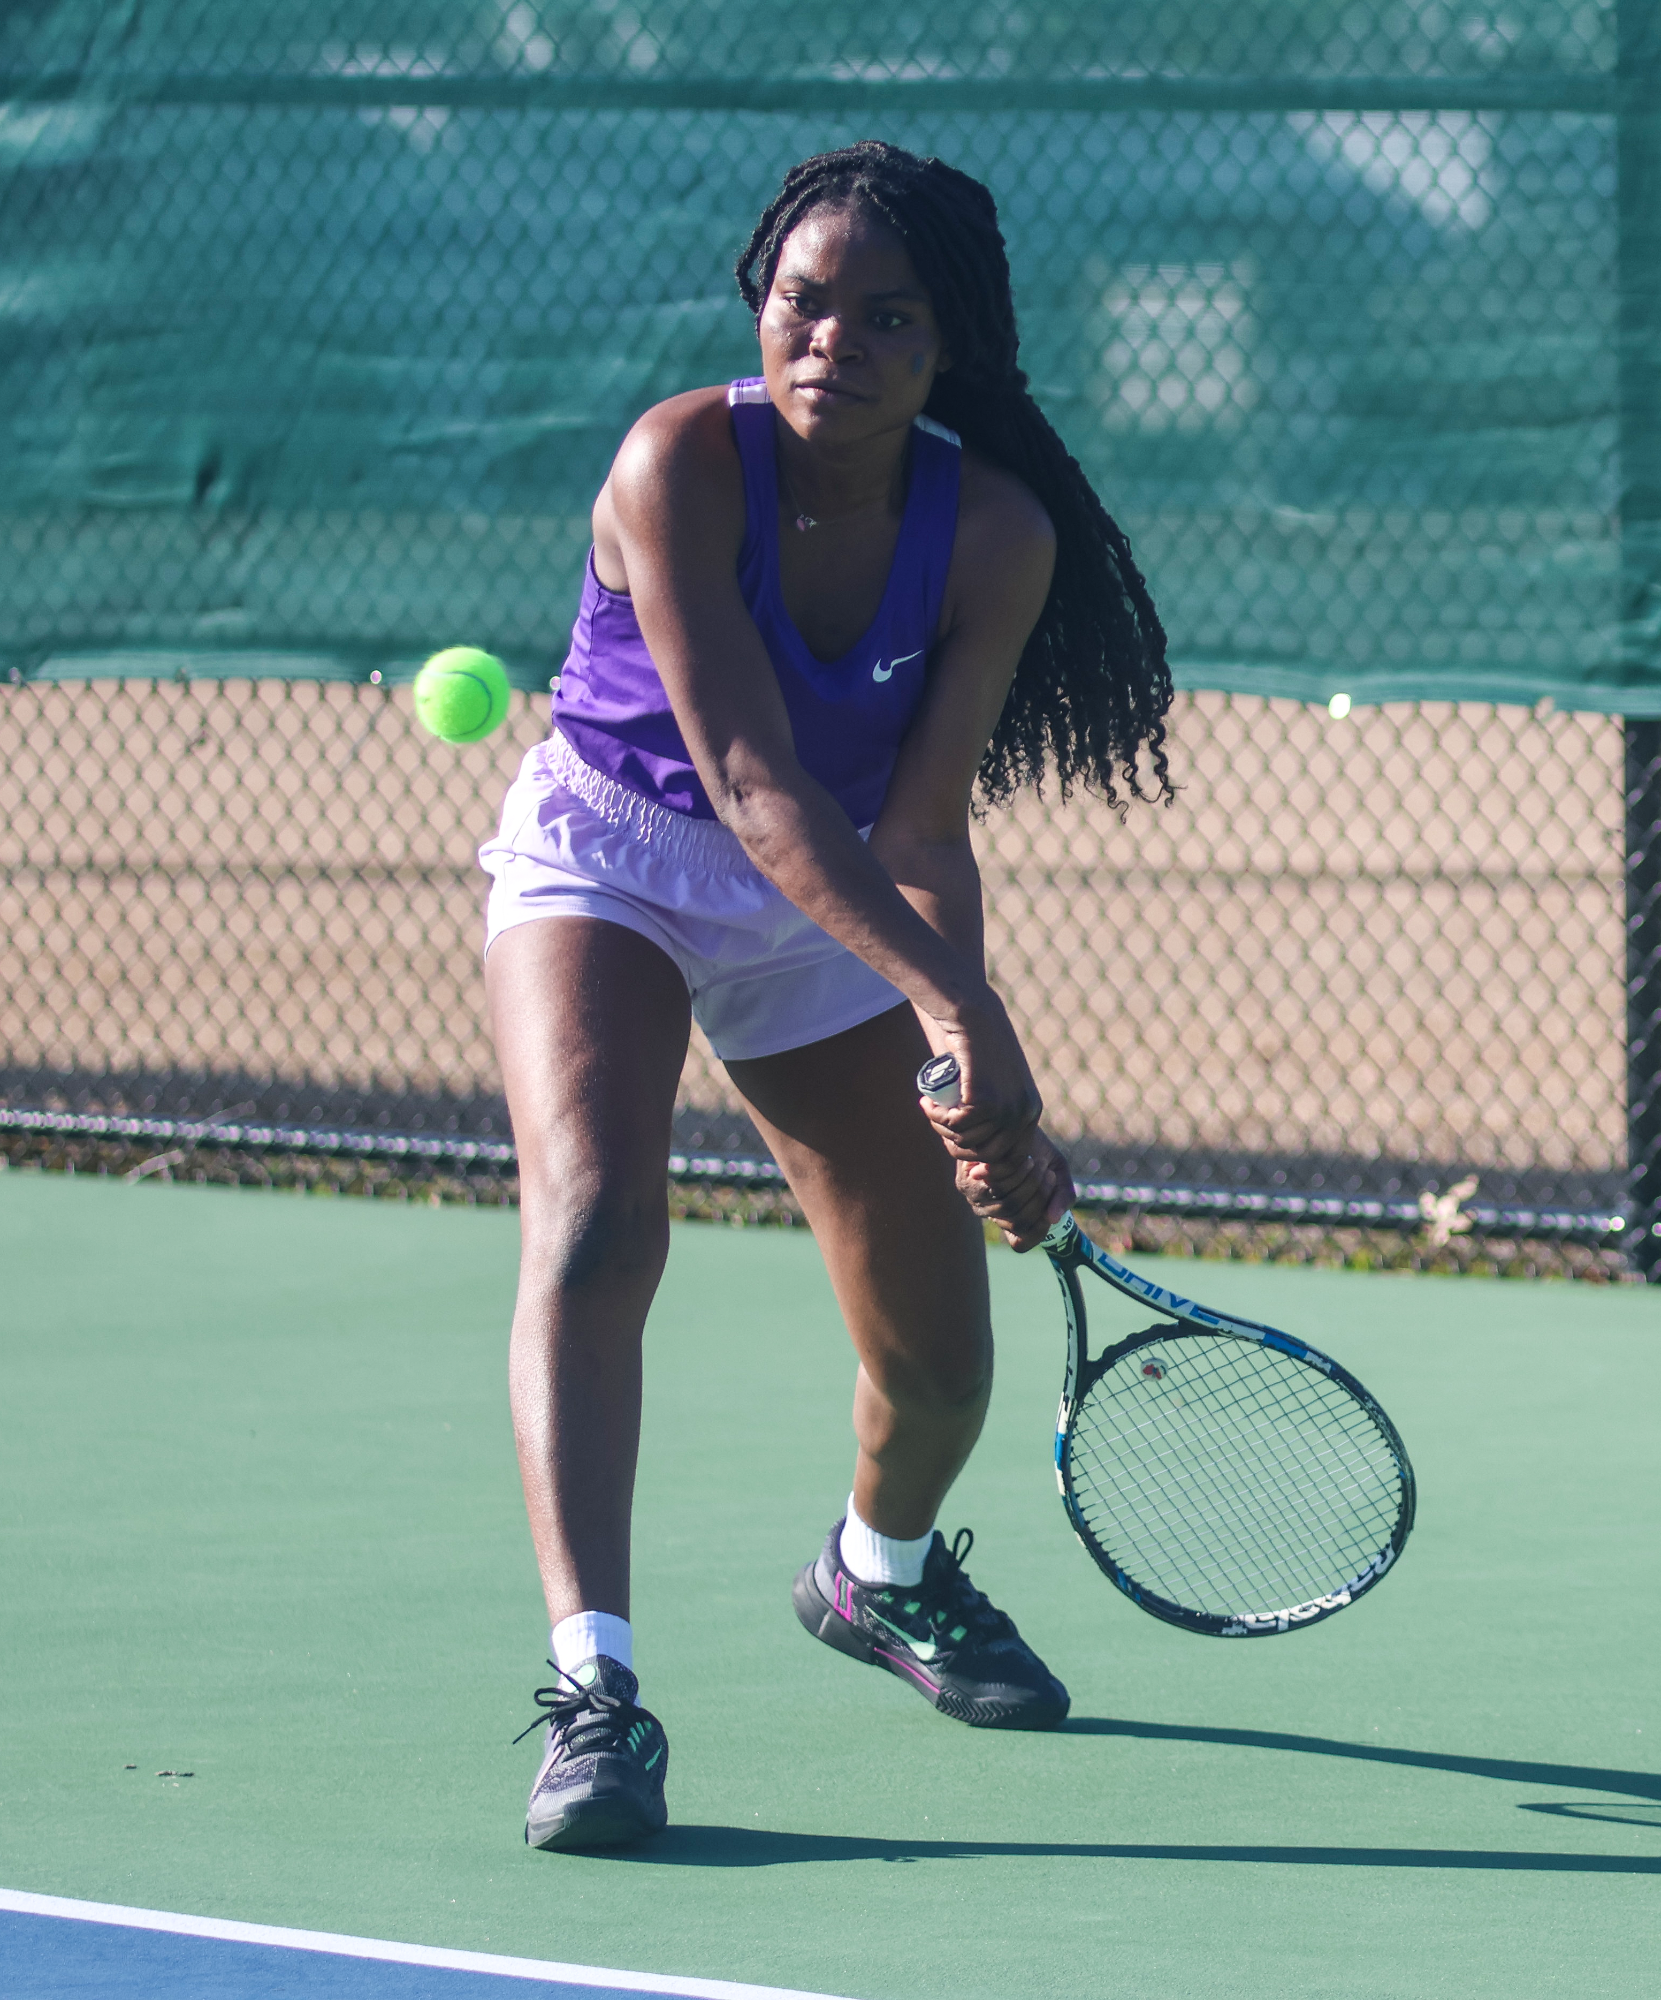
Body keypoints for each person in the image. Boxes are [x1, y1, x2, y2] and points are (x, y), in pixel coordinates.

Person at [479, 140, 1171, 1852]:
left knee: (939, 1369)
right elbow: (749, 782)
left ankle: (879, 1574)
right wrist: (969, 1015)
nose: (832, 341)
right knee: (594, 1229)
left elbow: (921, 827)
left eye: (885, 317)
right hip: (615, 860)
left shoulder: (990, 535)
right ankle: (595, 1694)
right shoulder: (675, 464)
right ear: (758, 304)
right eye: (804, 302)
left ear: (952, 351)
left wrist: (961, 1031)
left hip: (831, 909)